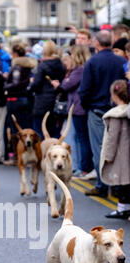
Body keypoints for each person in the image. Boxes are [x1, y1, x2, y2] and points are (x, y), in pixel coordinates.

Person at [79, 30, 126, 197]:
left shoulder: (92, 62)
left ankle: (102, 184)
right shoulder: (121, 61)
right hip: (118, 110)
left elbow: (84, 90)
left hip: (97, 110)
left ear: (97, 43)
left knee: (99, 149)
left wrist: (87, 106)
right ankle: (117, 186)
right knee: (119, 149)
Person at [51, 45, 93, 178]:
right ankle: (80, 167)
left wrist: (63, 82)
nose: (71, 57)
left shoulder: (79, 70)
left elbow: (67, 85)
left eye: (73, 55)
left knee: (81, 139)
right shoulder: (81, 69)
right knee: (78, 138)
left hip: (78, 108)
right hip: (77, 107)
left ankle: (83, 168)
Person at [100, 80, 130, 219]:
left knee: (122, 183)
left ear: (114, 95)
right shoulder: (127, 111)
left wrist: (108, 156)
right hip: (127, 152)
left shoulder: (115, 114)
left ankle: (122, 208)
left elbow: (112, 137)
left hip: (120, 154)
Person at [29, 40, 65, 139]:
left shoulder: (42, 66)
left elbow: (37, 84)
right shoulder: (61, 65)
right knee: (53, 131)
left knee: (39, 131)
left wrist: (30, 85)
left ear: (43, 51)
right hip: (55, 101)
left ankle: (42, 153)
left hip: (42, 101)